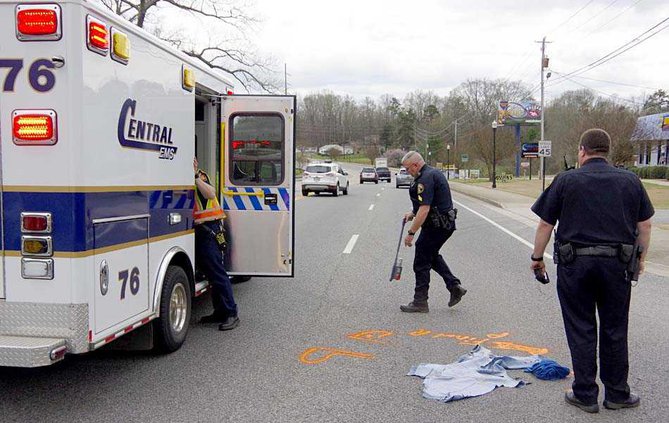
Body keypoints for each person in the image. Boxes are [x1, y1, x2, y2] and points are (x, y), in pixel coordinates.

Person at [530, 129, 654, 413]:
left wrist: (537, 257)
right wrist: (640, 259)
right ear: (607, 151)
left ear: (582, 150)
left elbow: (545, 225)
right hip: (617, 266)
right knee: (614, 328)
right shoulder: (630, 180)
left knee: (581, 327)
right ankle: (617, 394)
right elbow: (644, 225)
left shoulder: (566, 180)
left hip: (576, 265)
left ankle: (585, 393)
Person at [400, 151, 467, 313]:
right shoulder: (432, 173)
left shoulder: (425, 179)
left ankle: (420, 302)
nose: (408, 172)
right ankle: (454, 287)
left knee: (421, 262)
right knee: (431, 255)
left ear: (416, 165)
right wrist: (412, 214)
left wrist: (411, 233)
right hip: (444, 225)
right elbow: (430, 203)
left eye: (408, 169)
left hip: (437, 226)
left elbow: (425, 208)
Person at [194, 157, 239, 331]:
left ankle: (231, 313)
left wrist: (196, 176)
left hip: (209, 230)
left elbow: (210, 194)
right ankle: (220, 311)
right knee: (210, 274)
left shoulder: (200, 177)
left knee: (218, 273)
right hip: (198, 232)